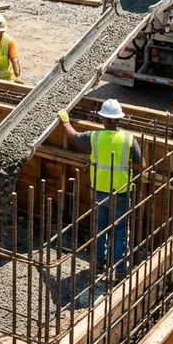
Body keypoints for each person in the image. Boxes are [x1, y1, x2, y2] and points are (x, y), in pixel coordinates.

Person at [58, 99, 143, 277]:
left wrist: (65, 121)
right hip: (121, 192)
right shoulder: (128, 139)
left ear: (104, 119)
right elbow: (140, 165)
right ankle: (120, 271)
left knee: (99, 230)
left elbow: (74, 137)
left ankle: (97, 265)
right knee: (120, 232)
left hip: (99, 192)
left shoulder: (94, 137)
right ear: (119, 119)